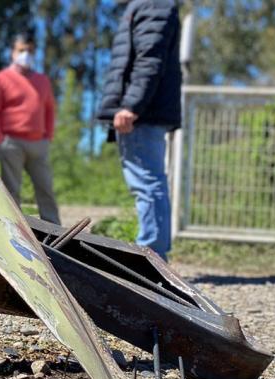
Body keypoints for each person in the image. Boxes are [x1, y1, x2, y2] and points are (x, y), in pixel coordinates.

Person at [97, 0, 183, 258]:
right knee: (150, 182)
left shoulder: (153, 5)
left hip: (141, 113)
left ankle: (152, 255)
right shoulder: (150, 6)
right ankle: (155, 253)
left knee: (147, 182)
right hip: (146, 110)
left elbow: (149, 58)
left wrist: (131, 105)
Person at [0, 35, 60, 224]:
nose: (26, 54)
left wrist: (48, 136)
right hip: (11, 143)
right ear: (13, 52)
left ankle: (54, 230)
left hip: (38, 143)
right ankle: (14, 229)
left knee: (45, 188)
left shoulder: (42, 80)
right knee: (11, 191)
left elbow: (49, 108)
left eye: (30, 51)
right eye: (21, 50)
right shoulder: (0, 79)